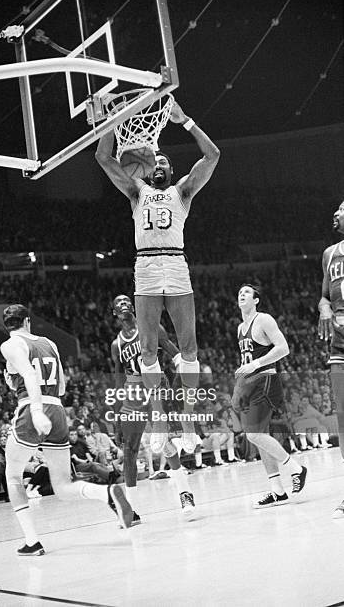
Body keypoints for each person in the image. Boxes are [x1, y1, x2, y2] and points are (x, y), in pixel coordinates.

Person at [96, 100, 220, 455]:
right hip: (147, 268)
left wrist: (186, 121)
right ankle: (160, 421)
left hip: (177, 265)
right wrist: (110, 120)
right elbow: (104, 159)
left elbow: (212, 156)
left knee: (189, 347)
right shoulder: (136, 192)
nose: (160, 163)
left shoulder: (183, 192)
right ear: (148, 168)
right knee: (148, 349)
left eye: (166, 160)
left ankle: (188, 421)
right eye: (157, 160)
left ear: (170, 169)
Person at [0, 304, 134, 556]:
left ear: (7, 325)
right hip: (58, 409)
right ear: (27, 321)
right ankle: (106, 493)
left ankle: (32, 542)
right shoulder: (49, 343)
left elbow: (29, 374)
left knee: (13, 476)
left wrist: (36, 410)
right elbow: (60, 386)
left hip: (32, 407)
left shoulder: (10, 344)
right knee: (62, 486)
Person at [111, 294, 196, 519]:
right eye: (119, 303)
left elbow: (171, 349)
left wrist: (184, 365)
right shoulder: (116, 344)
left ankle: (185, 493)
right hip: (132, 393)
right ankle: (130, 511)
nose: (124, 304)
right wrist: (118, 410)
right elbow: (119, 378)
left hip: (155, 385)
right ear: (115, 313)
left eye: (127, 301)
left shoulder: (151, 327)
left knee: (166, 444)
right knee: (129, 450)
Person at [231, 284, 307, 508]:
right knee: (259, 436)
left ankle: (295, 468)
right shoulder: (239, 328)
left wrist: (257, 363)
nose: (242, 295)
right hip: (248, 382)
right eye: (239, 293)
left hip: (265, 379)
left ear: (256, 300)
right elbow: (247, 362)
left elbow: (283, 348)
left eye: (247, 292)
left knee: (253, 433)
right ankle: (277, 491)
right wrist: (238, 387)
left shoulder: (263, 319)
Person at [318, 200, 344, 518]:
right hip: (338, 345)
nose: (335, 213)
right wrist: (324, 308)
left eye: (340, 209)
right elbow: (325, 295)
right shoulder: (329, 254)